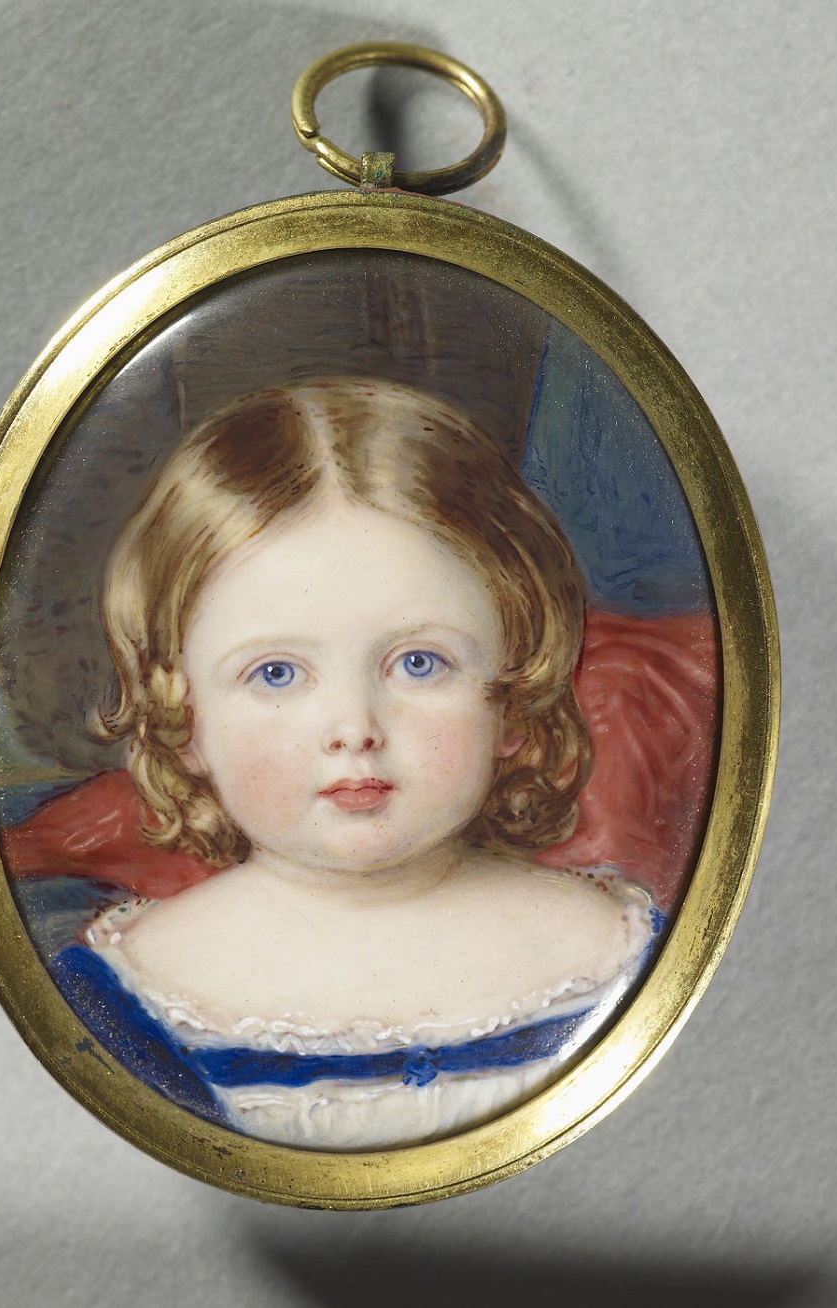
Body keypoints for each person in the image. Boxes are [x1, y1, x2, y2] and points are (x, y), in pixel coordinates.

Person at [49, 377, 661, 1151]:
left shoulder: (617, 956)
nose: (354, 729)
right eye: (277, 673)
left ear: (512, 693)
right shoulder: (128, 997)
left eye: (418, 663)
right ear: (184, 717)